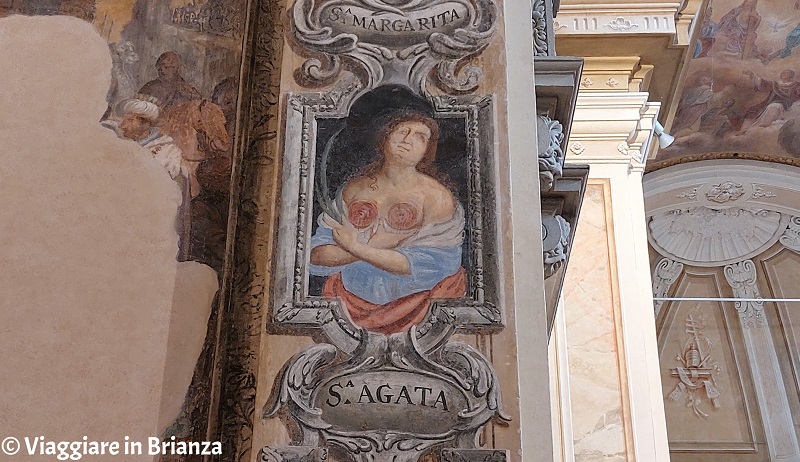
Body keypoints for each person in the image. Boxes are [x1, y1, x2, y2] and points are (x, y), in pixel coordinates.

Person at [308, 112, 466, 334]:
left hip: (419, 308)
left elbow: (433, 266)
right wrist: (371, 248)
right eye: (402, 131)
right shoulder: (354, 190)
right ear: (385, 138)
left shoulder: (437, 198)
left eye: (420, 137)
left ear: (427, 151)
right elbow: (317, 256)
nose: (407, 140)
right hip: (348, 306)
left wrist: (355, 247)